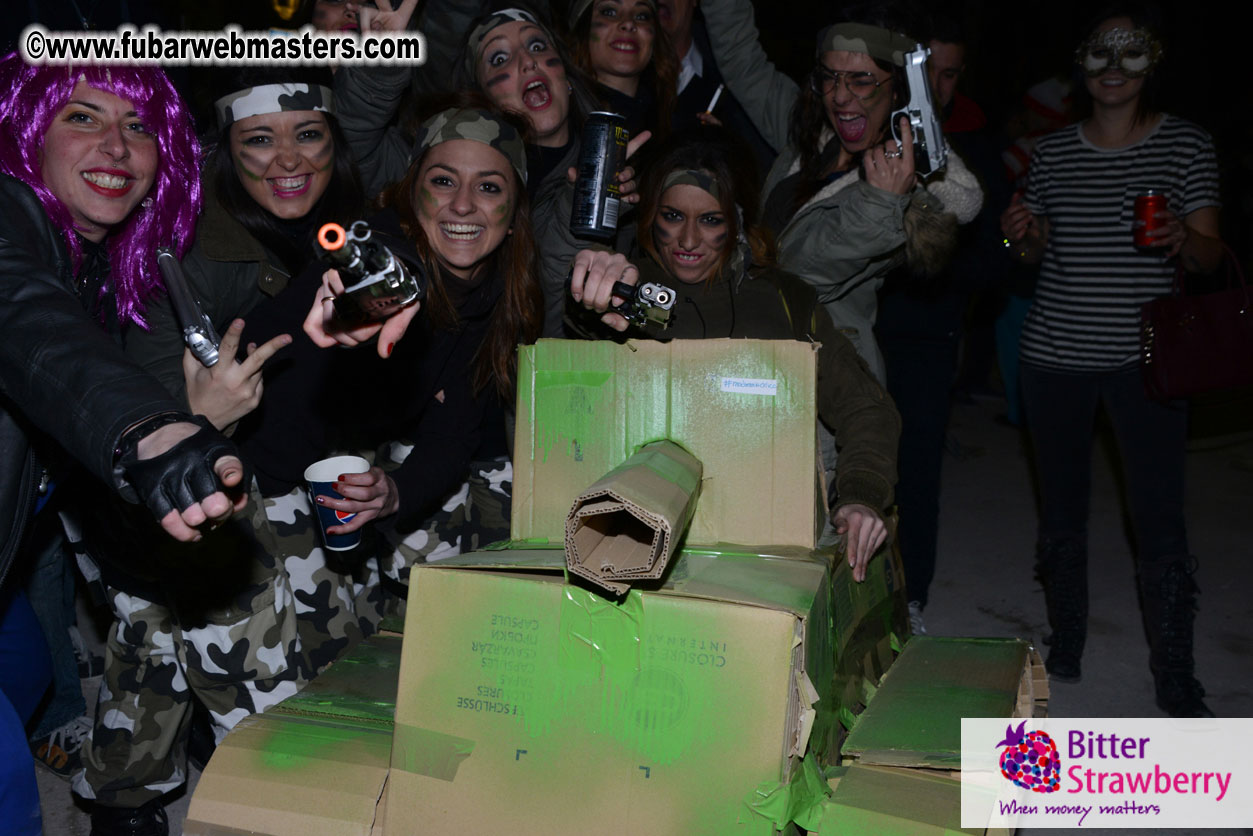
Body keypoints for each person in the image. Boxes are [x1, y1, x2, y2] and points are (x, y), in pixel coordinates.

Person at [73, 68, 382, 836]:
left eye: (307, 135)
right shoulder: (184, 255)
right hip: (149, 485)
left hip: (252, 473)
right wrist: (201, 415)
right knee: (221, 644)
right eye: (258, 140)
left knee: (168, 627)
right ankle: (141, 798)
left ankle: (121, 793)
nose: (288, 160)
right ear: (224, 153)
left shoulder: (338, 224)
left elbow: (376, 120)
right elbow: (136, 435)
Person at [0, 54, 248, 835]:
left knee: (30, 669)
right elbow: (24, 318)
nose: (115, 145)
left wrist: (194, 420)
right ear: (29, 133)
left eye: (138, 126)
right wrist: (149, 427)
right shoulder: (10, 219)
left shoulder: (96, 268)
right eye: (83, 117)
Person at [1000, 10, 1222, 717]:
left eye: (1130, 53)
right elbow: (1031, 256)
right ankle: (1065, 640)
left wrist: (1181, 235)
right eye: (1100, 53)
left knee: (1158, 518)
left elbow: (1210, 255)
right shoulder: (1054, 152)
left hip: (1145, 363)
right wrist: (1020, 236)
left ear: (1150, 63)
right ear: (1080, 66)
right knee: (1060, 511)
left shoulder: (1186, 145)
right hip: (1053, 356)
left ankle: (1175, 670)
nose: (1114, 66)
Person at [565, 130, 900, 579]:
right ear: (649, 217)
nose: (687, 238)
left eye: (709, 220)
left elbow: (866, 407)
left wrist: (860, 496)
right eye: (672, 215)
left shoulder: (784, 301)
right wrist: (587, 305)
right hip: (628, 530)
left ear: (737, 222)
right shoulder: (618, 293)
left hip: (759, 528)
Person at [304, 97, 543, 582]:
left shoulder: (497, 290)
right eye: (443, 181)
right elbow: (396, 263)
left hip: (363, 485)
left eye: (489, 187)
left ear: (515, 211)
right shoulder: (393, 245)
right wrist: (371, 293)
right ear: (411, 192)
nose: (461, 204)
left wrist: (396, 491)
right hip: (269, 472)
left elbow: (454, 430)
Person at [698, 0, 983, 383]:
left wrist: (880, 203)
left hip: (823, 380)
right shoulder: (812, 134)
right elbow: (742, 59)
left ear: (898, 89)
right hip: (749, 351)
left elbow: (799, 274)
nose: (840, 95)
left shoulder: (904, 184)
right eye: (829, 77)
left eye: (861, 80)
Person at [563, 0, 678, 140]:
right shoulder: (564, 121)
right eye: (609, 12)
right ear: (583, 29)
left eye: (642, 16)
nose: (629, 23)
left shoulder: (673, 116)